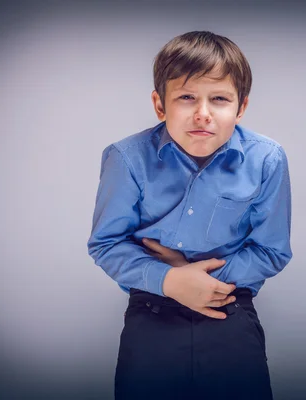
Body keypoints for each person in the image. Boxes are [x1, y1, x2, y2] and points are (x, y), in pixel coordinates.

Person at [87, 30, 292, 400]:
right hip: (152, 307)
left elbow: (272, 250)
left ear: (241, 106)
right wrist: (170, 282)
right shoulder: (127, 158)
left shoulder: (267, 160)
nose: (203, 113)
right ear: (160, 104)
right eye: (186, 97)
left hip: (229, 305)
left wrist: (200, 282)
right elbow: (106, 244)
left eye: (219, 99)